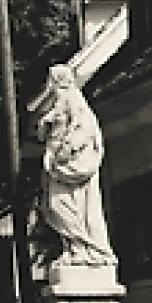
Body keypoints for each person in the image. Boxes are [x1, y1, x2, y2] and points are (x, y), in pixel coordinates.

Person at [28, 64, 116, 268]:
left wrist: (65, 152)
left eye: (52, 81)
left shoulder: (73, 100)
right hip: (57, 168)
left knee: (59, 206)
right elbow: (44, 132)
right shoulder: (59, 103)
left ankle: (86, 248)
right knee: (53, 207)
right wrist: (45, 127)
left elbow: (85, 128)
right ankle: (74, 248)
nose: (50, 86)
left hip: (68, 167)